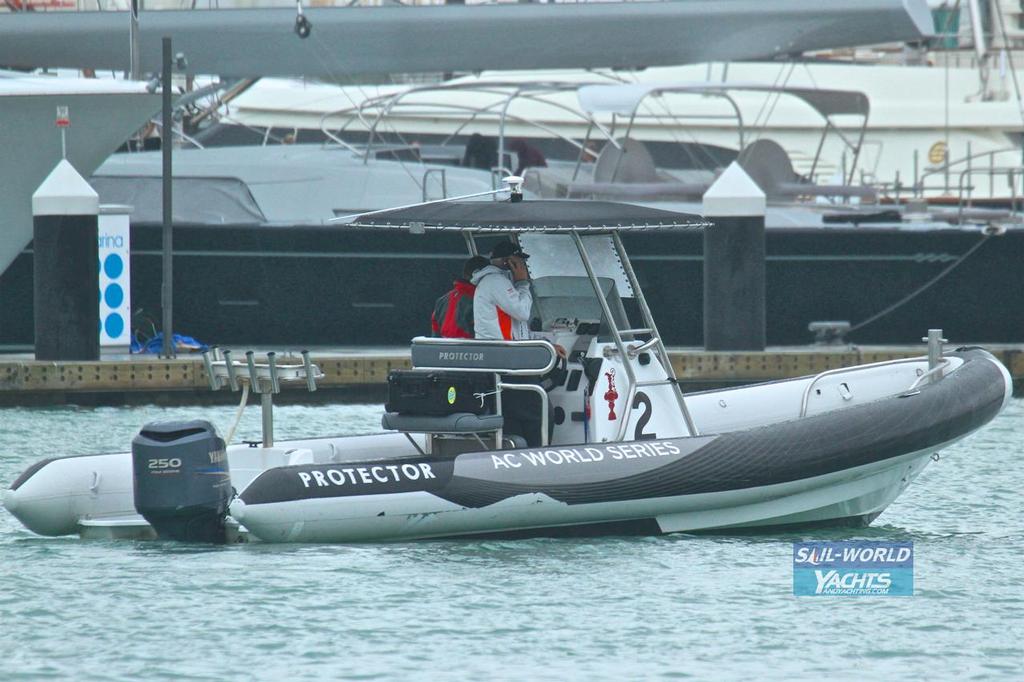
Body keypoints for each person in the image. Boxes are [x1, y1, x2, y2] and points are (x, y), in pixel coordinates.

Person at [471, 241, 533, 341]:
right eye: (520, 262)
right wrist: (522, 283)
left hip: (503, 348)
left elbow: (519, 329)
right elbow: (523, 312)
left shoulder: (499, 282)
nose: (523, 266)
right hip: (499, 350)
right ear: (509, 262)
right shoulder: (495, 281)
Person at [431, 255, 489, 339]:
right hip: (472, 350)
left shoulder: (441, 300)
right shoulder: (480, 300)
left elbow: (435, 336)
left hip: (442, 349)